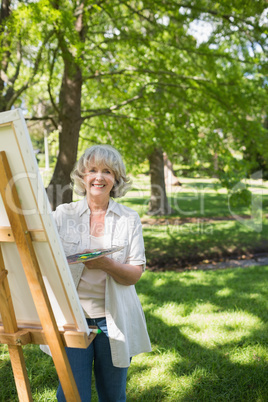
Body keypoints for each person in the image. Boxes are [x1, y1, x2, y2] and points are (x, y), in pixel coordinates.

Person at [53, 145, 151, 402]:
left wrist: (107, 264)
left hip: (114, 320)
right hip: (73, 320)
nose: (99, 177)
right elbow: (41, 254)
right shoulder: (63, 215)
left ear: (116, 179)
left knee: (113, 395)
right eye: (93, 170)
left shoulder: (129, 218)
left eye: (107, 171)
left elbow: (134, 274)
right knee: (72, 396)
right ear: (82, 176)